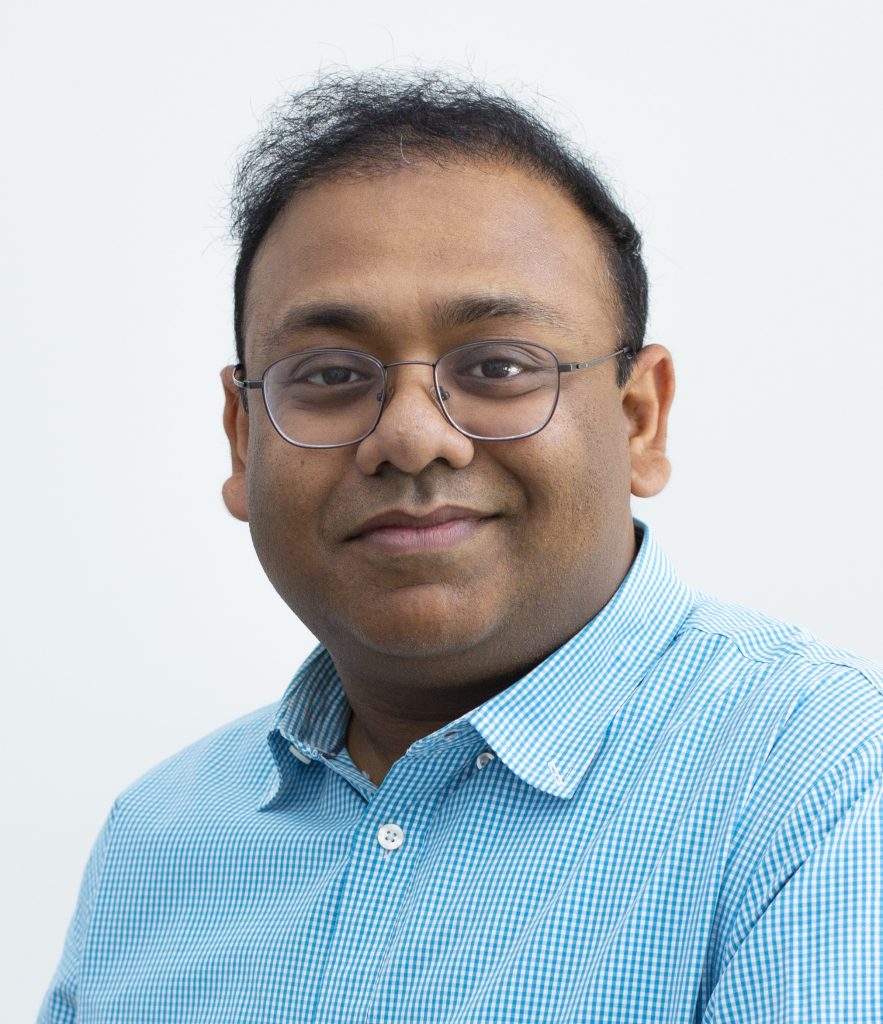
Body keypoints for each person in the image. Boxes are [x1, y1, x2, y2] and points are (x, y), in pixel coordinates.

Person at [40, 71, 883, 1024]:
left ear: (639, 419)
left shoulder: (827, 788)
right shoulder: (159, 838)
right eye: (327, 374)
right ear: (243, 438)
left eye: (496, 367)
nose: (409, 435)